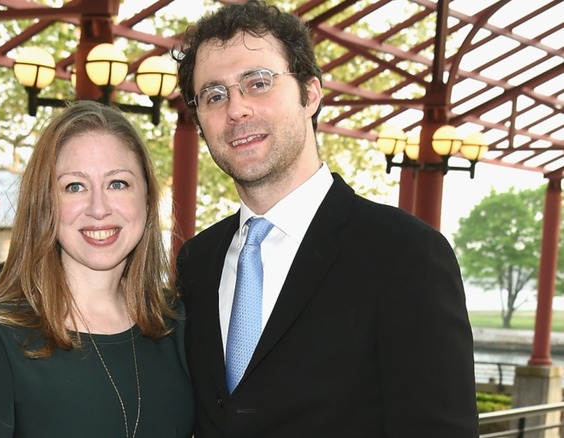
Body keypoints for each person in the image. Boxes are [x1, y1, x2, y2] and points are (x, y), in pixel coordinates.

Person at [172, 1, 478, 436]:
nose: (236, 109)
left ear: (311, 94)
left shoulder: (405, 255)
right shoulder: (197, 262)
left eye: (258, 83)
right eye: (214, 95)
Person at [0, 100, 195, 437]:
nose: (99, 208)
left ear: (146, 197)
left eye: (118, 183)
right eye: (74, 187)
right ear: (45, 205)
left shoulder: (181, 327)